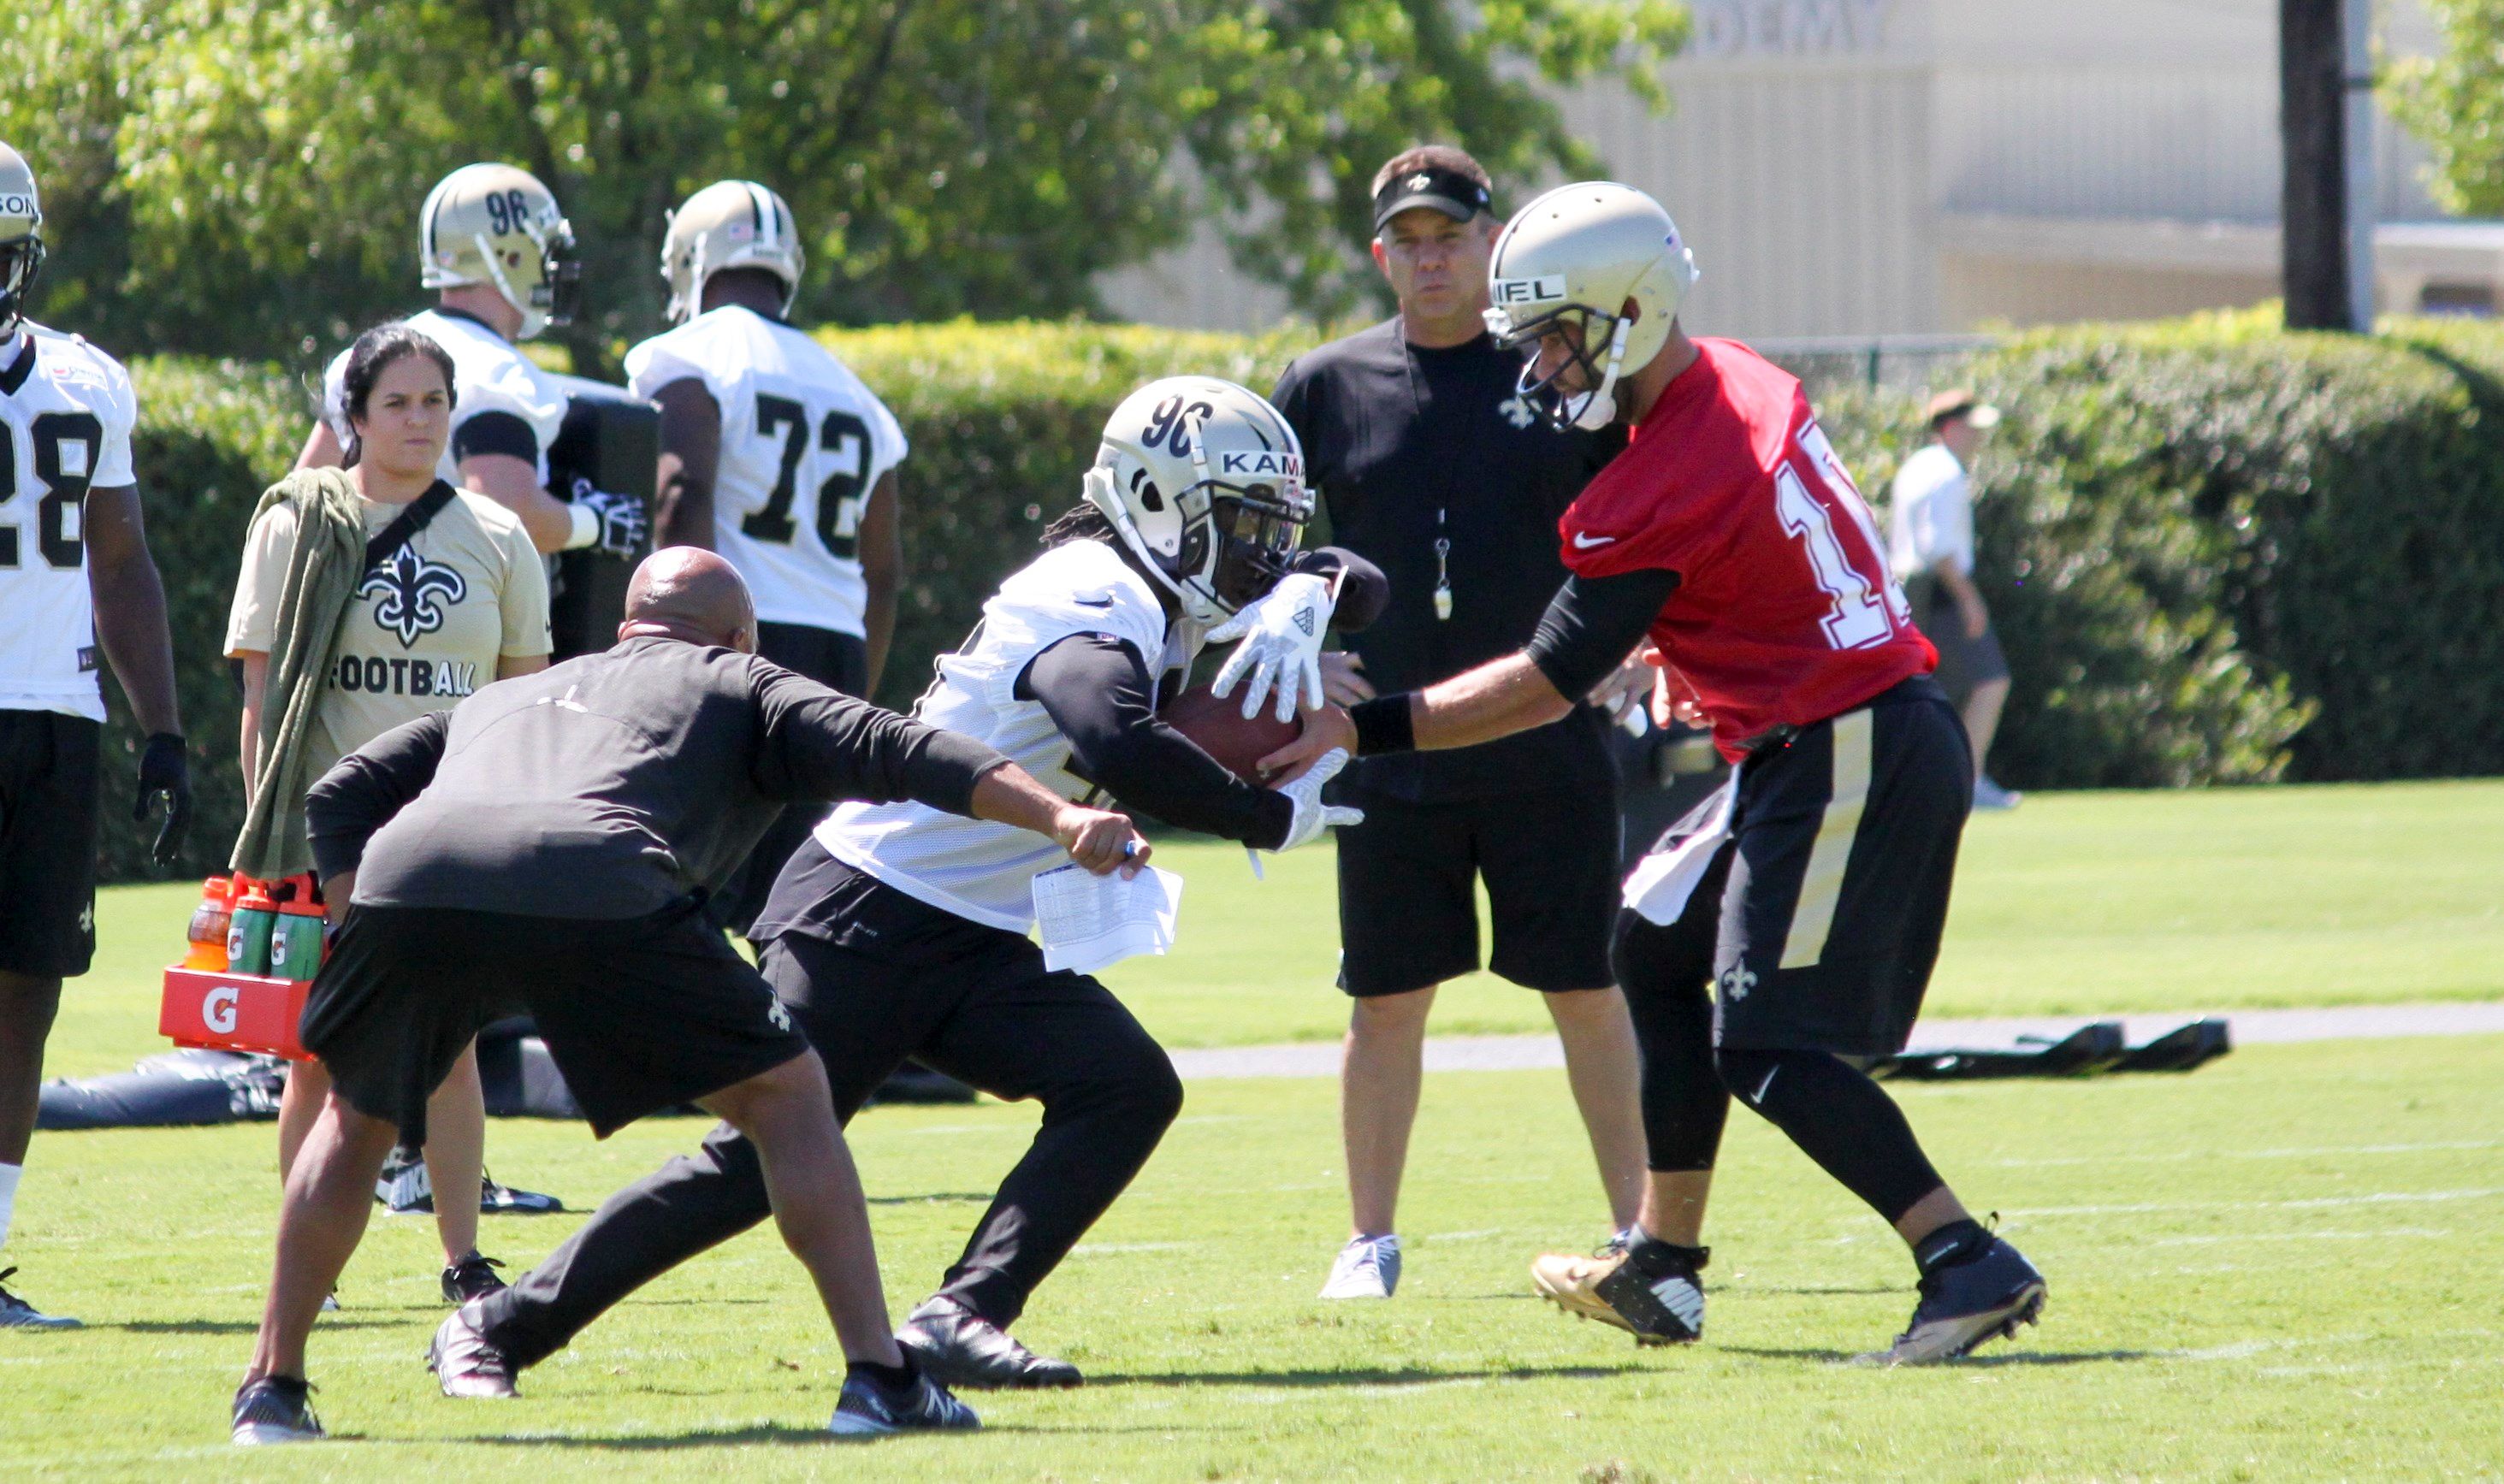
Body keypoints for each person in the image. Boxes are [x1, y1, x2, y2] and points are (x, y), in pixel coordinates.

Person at [429, 378, 1386, 1397]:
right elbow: (1115, 736)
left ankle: (963, 1312)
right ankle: (497, 1322)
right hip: (864, 906)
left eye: (1270, 533)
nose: (1259, 555)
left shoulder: (1151, 590)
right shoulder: (1090, 587)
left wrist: (1308, 589)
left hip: (969, 928)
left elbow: (1358, 578)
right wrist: (1266, 815)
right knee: (754, 1164)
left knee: (1124, 1084)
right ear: (1153, 501)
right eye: (1241, 529)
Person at [1264, 182, 2048, 1364]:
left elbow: (1540, 683)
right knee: (1648, 937)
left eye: (1554, 334)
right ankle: (1661, 1263)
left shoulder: (1658, 473)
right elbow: (1747, 556)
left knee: (1765, 1041)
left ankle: (1959, 1255)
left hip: (1847, 737)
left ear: (1627, 310)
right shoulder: (1729, 374)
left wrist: (1359, 730)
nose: (1535, 365)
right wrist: (1689, 632)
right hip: (1812, 725)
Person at [228, 546, 1145, 1445]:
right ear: (740, 634)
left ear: (624, 628)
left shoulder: (506, 696)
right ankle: (881, 1377)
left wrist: (366, 920)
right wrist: (1060, 814)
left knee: (356, 1124)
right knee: (789, 1098)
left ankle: (271, 1389)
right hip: (597, 872)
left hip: (411, 872)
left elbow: (342, 789)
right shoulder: (741, 681)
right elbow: (901, 747)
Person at [1263, 145, 1647, 1302]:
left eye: (1450, 239)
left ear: (1490, 246)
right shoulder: (1323, 383)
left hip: (1545, 734)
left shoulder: (1556, 368)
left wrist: (1636, 643)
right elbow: (1259, 541)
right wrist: (1294, 642)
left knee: (1582, 984)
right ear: (1381, 255)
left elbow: (1637, 523)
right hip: (1382, 746)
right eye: (1408, 242)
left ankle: (1642, 1232)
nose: (1430, 260)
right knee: (1382, 999)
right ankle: (1367, 1240)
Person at [228, 323, 553, 1304]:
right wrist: (272, 849)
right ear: (355, 418)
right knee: (320, 1055)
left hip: (451, 830)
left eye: (435, 402)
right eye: (398, 403)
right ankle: (309, 1269)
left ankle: (464, 1260)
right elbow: (261, 708)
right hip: (331, 837)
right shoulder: (293, 522)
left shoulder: (498, 536)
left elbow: (522, 707)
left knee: (452, 1052)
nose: (419, 420)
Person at [0, 140, 190, 1329]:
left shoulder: (86, 377)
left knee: (28, 989)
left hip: (55, 717)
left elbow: (121, 563)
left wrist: (162, 727)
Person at [629, 180, 905, 935]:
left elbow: (683, 496)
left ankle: (690, 1051)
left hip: (731, 638)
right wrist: (850, 699)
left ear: (692, 260)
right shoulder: (855, 393)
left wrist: (675, 657)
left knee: (679, 886)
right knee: (794, 904)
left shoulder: (688, 355)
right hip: (837, 650)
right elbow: (881, 576)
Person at [296, 163, 647, 561]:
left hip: (359, 601)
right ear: (512, 256)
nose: (553, 268)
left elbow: (304, 501)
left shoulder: (363, 355)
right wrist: (594, 522)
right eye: (545, 250)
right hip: (446, 605)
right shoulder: (496, 372)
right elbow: (507, 514)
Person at [1890, 389, 2018, 809]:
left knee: (1925, 693)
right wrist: (1969, 600)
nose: (1978, 439)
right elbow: (1938, 549)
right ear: (1949, 428)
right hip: (1937, 587)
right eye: (1971, 430)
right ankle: (1970, 781)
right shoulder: (1944, 472)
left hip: (1910, 588)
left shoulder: (1918, 465)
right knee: (1990, 680)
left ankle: (1934, 784)